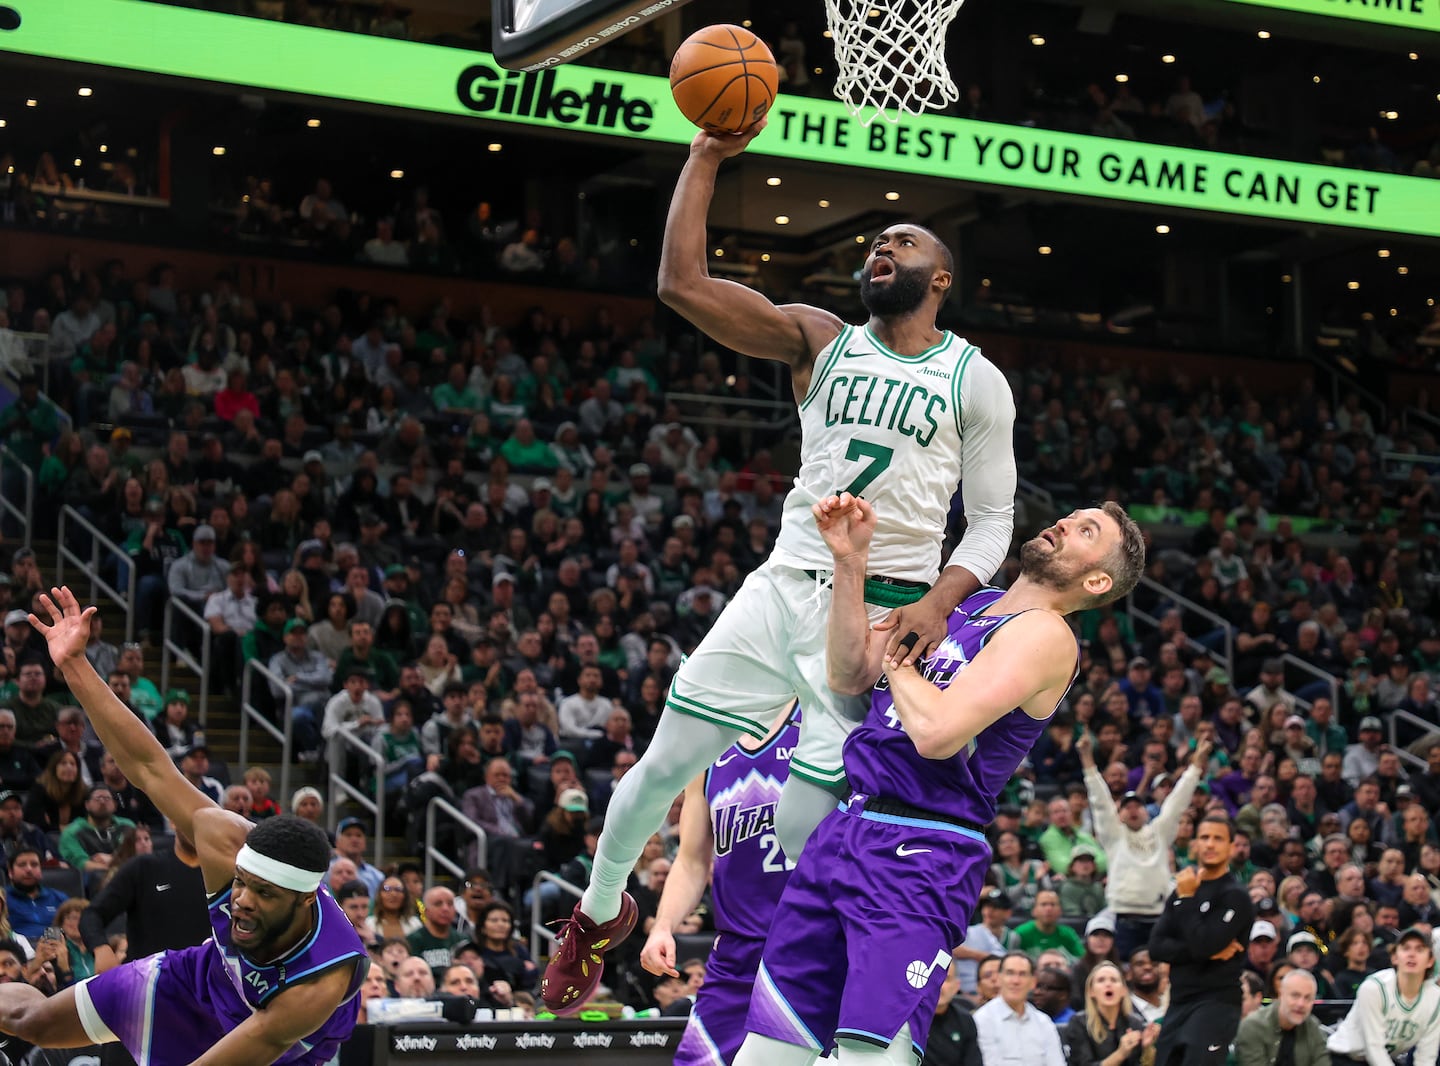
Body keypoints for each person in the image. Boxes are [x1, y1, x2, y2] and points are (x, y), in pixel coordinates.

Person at [543, 122, 1019, 1013]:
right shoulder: (819, 339)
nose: (883, 247)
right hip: (780, 588)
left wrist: (942, 605)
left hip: (873, 617)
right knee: (655, 773)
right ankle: (596, 916)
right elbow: (679, 284)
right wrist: (707, 156)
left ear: (940, 280)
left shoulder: (974, 379)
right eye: (876, 242)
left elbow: (993, 522)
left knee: (805, 824)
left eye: (904, 243)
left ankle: (822, 982)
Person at [729, 496, 1144, 1065]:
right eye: (1073, 517)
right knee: (768, 1049)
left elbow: (937, 732)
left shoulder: (1047, 634)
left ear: (1097, 581)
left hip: (922, 849)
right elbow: (848, 673)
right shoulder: (976, 603)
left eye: (1086, 531)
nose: (1065, 523)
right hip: (848, 826)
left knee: (870, 1055)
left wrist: (902, 656)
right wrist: (850, 563)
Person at [1, 587, 368, 1066]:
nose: (242, 899)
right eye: (242, 882)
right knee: (38, 1023)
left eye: (264, 894)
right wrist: (73, 664)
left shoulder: (319, 983)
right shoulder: (221, 838)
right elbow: (149, 766)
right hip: (197, 983)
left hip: (272, 1044)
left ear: (304, 900)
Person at [639, 705, 801, 1065]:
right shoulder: (710, 747)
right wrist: (663, 925)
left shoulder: (822, 717)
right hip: (737, 953)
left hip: (810, 944)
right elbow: (692, 860)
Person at [1080, 729, 1208, 960]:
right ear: (1119, 815)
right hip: (1123, 918)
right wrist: (1088, 762)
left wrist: (1196, 767)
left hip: (1158, 917)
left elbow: (1177, 802)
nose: (1132, 810)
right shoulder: (1114, 836)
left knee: (1158, 971)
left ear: (1146, 811)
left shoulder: (1159, 832)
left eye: (1137, 806)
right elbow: (1100, 802)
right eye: (1126, 807)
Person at [1148, 814, 1256, 1066]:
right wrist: (1205, 950)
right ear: (1194, 844)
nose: (1209, 844)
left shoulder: (1235, 896)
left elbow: (1203, 943)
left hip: (1216, 1002)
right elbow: (1156, 947)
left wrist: (1187, 902)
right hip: (1179, 1001)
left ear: (1231, 847)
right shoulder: (1183, 889)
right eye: (1204, 837)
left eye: (1218, 839)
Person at [1326, 925, 1440, 1066]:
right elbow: (1373, 1048)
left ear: (1430, 961)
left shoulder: (1435, 999)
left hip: (1384, 1059)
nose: (1412, 954)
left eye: (1419, 949)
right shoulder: (1374, 987)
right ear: (1394, 958)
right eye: (1406, 948)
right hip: (1344, 1058)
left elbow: (1426, 1057)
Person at [972, 953, 1066, 1066]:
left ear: (1033, 982)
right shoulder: (982, 1019)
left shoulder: (1044, 1022)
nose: (1016, 981)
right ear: (999, 978)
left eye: (1023, 974)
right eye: (1010, 973)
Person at [1059, 961, 1159, 1066]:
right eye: (1101, 980)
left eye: (1114, 980)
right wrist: (1121, 1054)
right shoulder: (1079, 1023)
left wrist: (1147, 1048)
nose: (1108, 984)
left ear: (1124, 990)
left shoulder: (1135, 1022)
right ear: (1091, 991)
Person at [1234, 969, 1329, 1066]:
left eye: (1308, 998)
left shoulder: (1314, 1028)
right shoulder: (1252, 1026)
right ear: (1280, 994)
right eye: (1295, 995)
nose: (1301, 1004)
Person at [923, 961, 981, 1066]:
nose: (940, 985)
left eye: (946, 979)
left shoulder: (965, 1021)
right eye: (934, 977)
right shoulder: (910, 1019)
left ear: (956, 986)